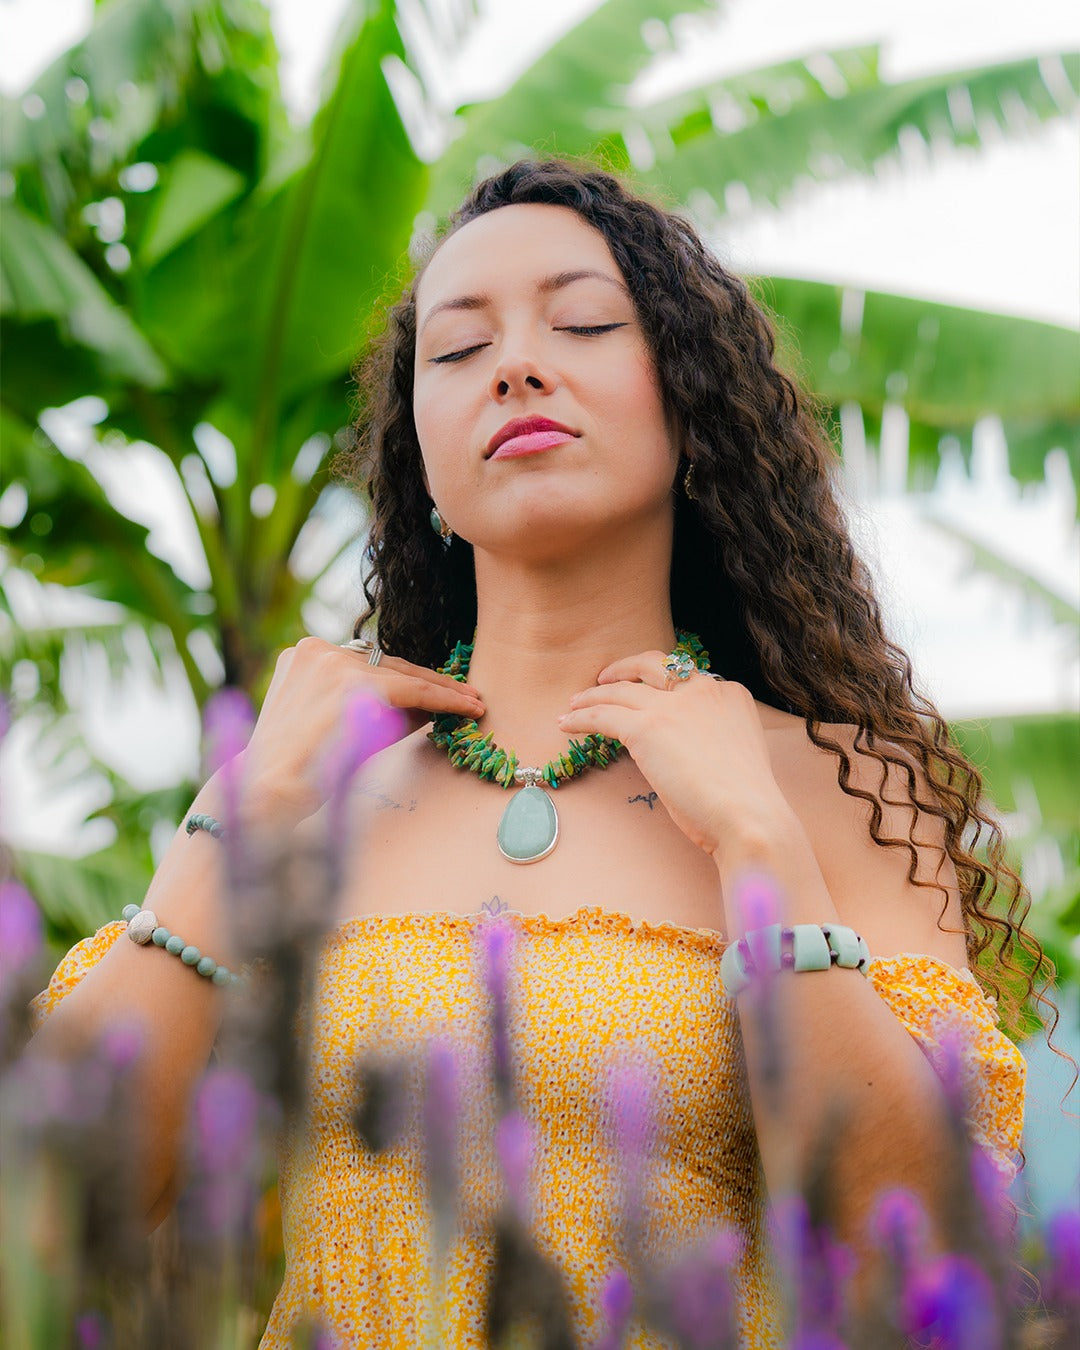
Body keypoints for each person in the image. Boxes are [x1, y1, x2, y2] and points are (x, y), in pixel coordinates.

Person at [28, 159, 1036, 1348]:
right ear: (424, 459)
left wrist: (761, 849)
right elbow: (45, 1224)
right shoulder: (310, 804)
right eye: (456, 352)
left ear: (690, 408)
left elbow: (920, 1247)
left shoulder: (840, 789)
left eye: (585, 323)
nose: (513, 364)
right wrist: (227, 831)